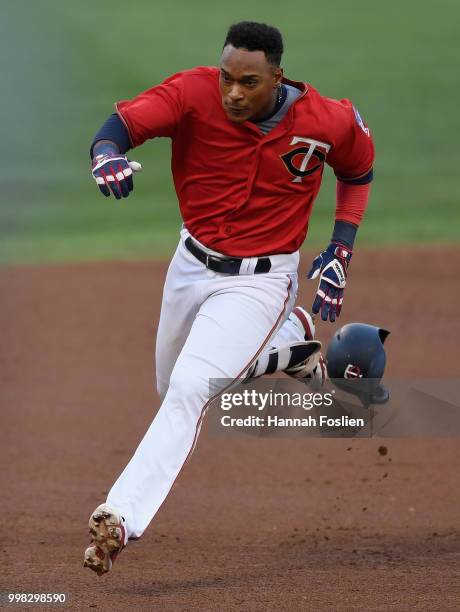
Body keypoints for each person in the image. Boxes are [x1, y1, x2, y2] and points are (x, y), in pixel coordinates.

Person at [84, 21, 374, 575]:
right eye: (227, 78)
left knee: (193, 388)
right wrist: (104, 154)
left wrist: (341, 248)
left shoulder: (327, 119)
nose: (233, 92)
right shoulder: (192, 94)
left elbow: (358, 168)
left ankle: (120, 516)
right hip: (190, 265)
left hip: (261, 280)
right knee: (172, 389)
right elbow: (120, 125)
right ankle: (290, 346)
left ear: (277, 79)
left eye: (248, 82)